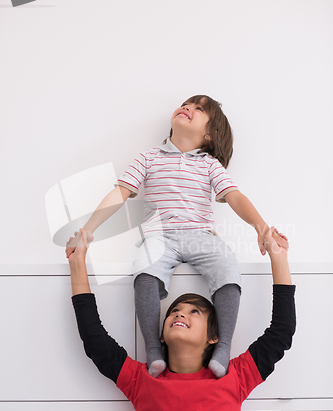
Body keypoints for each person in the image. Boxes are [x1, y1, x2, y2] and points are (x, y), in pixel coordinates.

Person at [66, 95, 288, 379]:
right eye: (187, 104)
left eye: (198, 109)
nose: (188, 108)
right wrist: (88, 229)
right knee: (144, 270)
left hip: (201, 236)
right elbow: (119, 193)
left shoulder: (209, 165)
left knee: (228, 268)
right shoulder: (149, 157)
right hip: (160, 237)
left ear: (208, 134)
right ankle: (153, 349)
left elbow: (235, 197)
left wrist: (262, 228)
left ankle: (223, 347)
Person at [68, 227, 295, 411]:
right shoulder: (141, 380)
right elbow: (94, 339)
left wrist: (278, 256)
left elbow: (281, 332)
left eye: (194, 311)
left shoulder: (234, 377)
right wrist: (77, 262)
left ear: (214, 337)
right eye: (174, 311)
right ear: (162, 337)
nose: (179, 313)